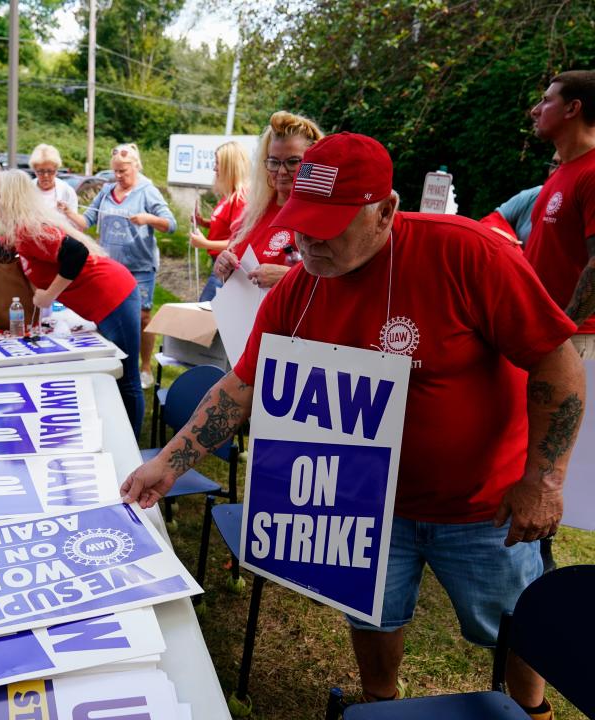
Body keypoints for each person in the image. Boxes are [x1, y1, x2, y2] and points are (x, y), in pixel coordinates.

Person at [121, 133, 584, 720]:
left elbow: (557, 363)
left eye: (331, 224)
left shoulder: (466, 253)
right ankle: (379, 704)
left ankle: (530, 708)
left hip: (481, 504)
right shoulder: (300, 285)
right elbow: (242, 387)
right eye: (302, 222)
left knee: (515, 619)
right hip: (366, 500)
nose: (308, 240)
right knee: (372, 610)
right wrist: (168, 463)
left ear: (386, 209)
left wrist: (543, 479)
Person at [0, 169, 145, 436]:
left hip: (114, 295)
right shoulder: (21, 231)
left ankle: (131, 444)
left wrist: (49, 295)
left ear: (6, 198)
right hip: (103, 300)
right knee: (117, 375)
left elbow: (76, 253)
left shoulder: (29, 229)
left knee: (126, 376)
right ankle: (120, 434)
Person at [62, 143, 177, 389]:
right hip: (110, 267)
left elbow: (171, 224)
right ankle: (113, 363)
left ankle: (144, 367)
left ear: (135, 166)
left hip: (139, 265)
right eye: (115, 171)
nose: (118, 176)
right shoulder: (106, 191)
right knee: (109, 315)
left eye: (123, 171)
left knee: (143, 316)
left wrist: (148, 219)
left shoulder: (147, 191)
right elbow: (87, 221)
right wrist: (69, 213)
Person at [525, 70, 595, 359]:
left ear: (572, 108)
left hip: (578, 341)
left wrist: (563, 329)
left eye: (545, 100)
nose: (535, 110)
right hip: (549, 337)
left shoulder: (591, 173)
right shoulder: (562, 171)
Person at [213, 112, 324, 290]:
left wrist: (287, 276)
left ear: (313, 163)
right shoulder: (253, 213)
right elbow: (232, 271)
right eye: (274, 162)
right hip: (244, 317)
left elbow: (341, 283)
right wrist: (223, 267)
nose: (281, 171)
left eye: (293, 162)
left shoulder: (325, 216)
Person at [189, 141, 250, 301]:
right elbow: (227, 227)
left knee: (205, 312)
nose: (214, 168)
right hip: (219, 264)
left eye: (217, 163)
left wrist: (205, 244)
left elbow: (237, 241)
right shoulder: (229, 195)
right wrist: (203, 222)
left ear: (229, 166)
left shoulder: (240, 198)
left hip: (226, 267)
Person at [480, 153, 560, 248]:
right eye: (554, 164)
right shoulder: (536, 194)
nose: (554, 173)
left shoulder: (580, 209)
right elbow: (494, 220)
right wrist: (498, 235)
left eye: (565, 166)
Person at [30, 143, 78, 215]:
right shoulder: (27, 189)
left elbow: (74, 223)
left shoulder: (67, 191)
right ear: (34, 170)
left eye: (50, 171)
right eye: (41, 171)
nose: (46, 175)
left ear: (56, 169)